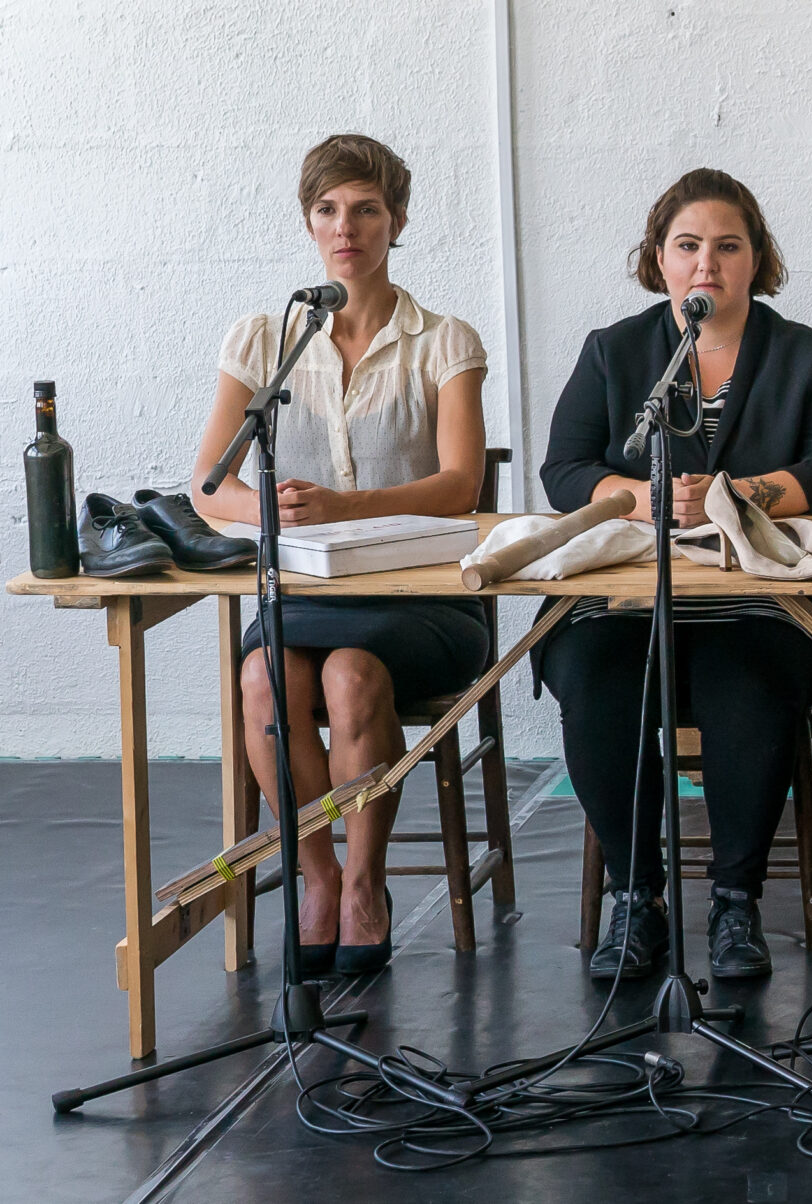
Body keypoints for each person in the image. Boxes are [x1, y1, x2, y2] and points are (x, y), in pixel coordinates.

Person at [540, 168, 812, 982]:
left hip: (761, 603)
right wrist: (638, 496)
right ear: (659, 259)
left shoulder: (805, 354)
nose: (707, 264)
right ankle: (636, 899)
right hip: (631, 599)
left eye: (728, 246)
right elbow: (564, 470)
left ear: (757, 259)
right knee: (594, 676)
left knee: (747, 682)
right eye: (688, 245)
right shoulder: (614, 352)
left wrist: (738, 494)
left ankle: (735, 904)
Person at [193, 134, 491, 979]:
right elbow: (210, 487)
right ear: (308, 222)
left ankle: (366, 885)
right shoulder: (265, 338)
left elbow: (462, 484)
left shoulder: (444, 340)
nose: (345, 227)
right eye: (327, 210)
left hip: (424, 600)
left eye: (365, 209)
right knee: (263, 677)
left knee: (351, 676)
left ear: (397, 220)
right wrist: (274, 511)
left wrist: (347, 507)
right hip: (309, 589)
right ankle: (316, 878)